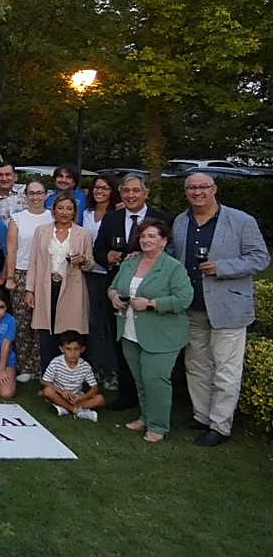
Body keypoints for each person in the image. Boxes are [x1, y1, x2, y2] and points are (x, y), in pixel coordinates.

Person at [172, 173, 270, 447]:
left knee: (226, 369)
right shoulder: (181, 221)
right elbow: (174, 255)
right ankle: (202, 415)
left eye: (203, 187)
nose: (197, 192)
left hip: (228, 307)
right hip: (193, 307)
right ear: (186, 192)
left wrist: (222, 267)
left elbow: (260, 258)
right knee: (196, 365)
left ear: (214, 189)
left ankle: (220, 425)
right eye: (191, 188)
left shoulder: (241, 221)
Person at [108, 219, 193, 443]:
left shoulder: (173, 267)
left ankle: (158, 426)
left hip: (161, 335)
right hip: (130, 331)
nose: (146, 240)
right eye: (143, 236)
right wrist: (114, 297)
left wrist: (152, 303)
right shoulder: (130, 262)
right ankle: (145, 417)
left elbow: (184, 298)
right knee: (140, 379)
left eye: (152, 236)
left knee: (155, 380)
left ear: (164, 241)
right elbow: (113, 287)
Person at [91, 173, 168, 411]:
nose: (131, 195)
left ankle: (151, 395)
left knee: (148, 343)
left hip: (151, 292)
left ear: (146, 193)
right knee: (122, 342)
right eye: (126, 191)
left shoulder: (161, 218)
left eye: (136, 191)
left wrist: (146, 257)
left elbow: (170, 252)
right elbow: (97, 249)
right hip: (119, 291)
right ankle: (127, 395)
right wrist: (107, 256)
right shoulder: (112, 218)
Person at [26, 193, 94, 372]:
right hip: (46, 287)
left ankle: (73, 377)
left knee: (70, 334)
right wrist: (29, 290)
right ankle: (48, 377)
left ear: (74, 212)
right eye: (61, 208)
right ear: (54, 210)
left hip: (72, 289)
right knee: (46, 334)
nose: (64, 212)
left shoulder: (83, 234)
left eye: (69, 209)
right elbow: (33, 262)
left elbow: (90, 264)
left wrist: (83, 259)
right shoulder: (42, 231)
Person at [4, 181, 51, 382]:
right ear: (25, 196)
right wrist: (10, 277)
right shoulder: (17, 219)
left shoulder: (53, 217)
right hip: (21, 272)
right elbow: (11, 249)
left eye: (39, 193)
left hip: (46, 274)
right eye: (31, 193)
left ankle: (42, 366)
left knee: (42, 322)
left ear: (46, 195)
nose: (35, 197)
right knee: (23, 322)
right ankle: (25, 366)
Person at [82, 174, 122, 387]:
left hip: (111, 274)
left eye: (105, 188)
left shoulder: (118, 214)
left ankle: (113, 369)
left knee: (109, 324)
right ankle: (95, 368)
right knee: (92, 323)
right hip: (88, 274)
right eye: (97, 187)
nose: (100, 191)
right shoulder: (86, 213)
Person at [40, 330, 105, 421]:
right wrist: (62, 392)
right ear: (62, 349)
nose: (72, 353)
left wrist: (82, 397)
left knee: (100, 399)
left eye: (76, 349)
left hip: (77, 397)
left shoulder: (85, 366)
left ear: (82, 349)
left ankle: (66, 408)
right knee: (47, 391)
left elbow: (94, 388)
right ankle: (75, 410)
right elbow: (45, 381)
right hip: (60, 395)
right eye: (68, 349)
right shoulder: (56, 362)